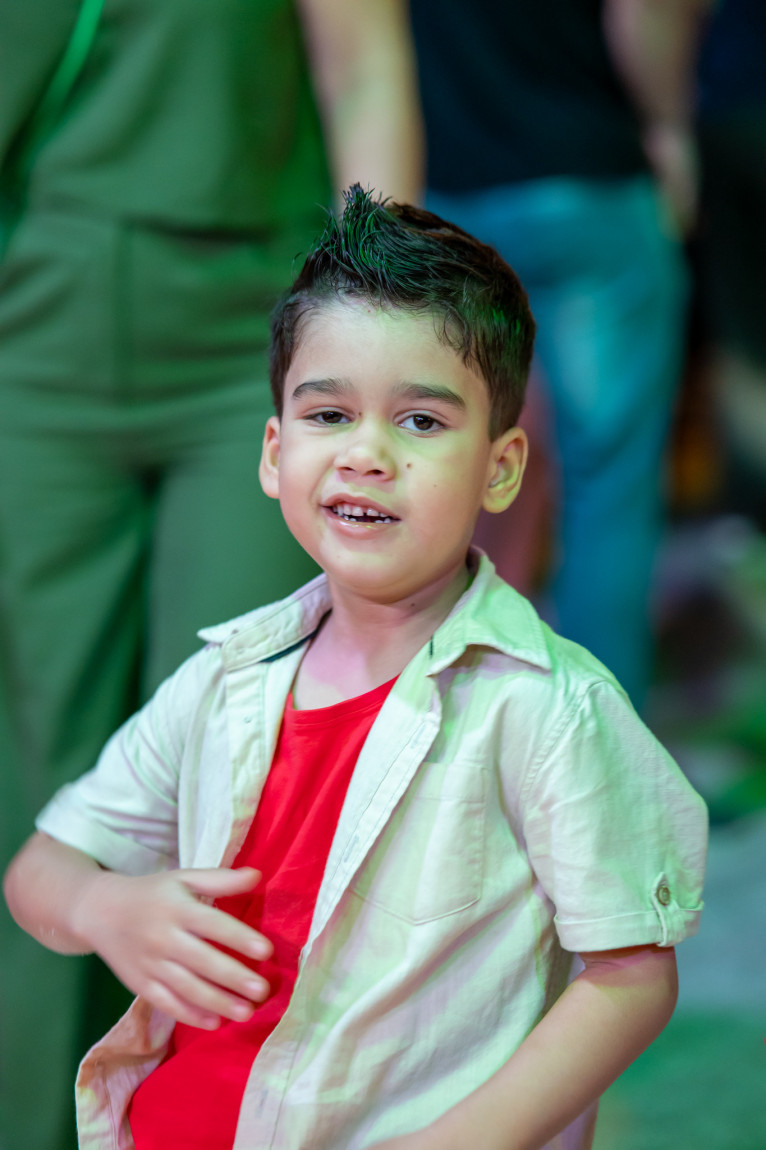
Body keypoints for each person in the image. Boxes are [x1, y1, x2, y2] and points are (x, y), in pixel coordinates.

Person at [4, 187, 707, 1150]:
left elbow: (631, 978)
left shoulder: (548, 710)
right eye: (329, 413)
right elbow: (40, 869)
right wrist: (101, 906)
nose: (366, 454)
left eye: (421, 422)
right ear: (274, 451)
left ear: (501, 468)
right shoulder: (224, 681)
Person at [0, 2, 422, 1146]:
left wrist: (379, 327)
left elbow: (363, 68)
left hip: (256, 326)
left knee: (238, 767)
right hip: (30, 317)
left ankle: (216, 1119)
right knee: (37, 764)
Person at [409, 0, 709, 709]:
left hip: (443, 193)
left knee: (449, 476)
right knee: (606, 487)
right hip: (587, 182)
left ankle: (452, 732)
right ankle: (598, 745)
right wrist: (668, 123)